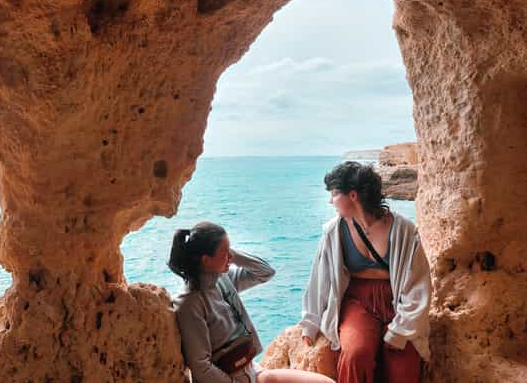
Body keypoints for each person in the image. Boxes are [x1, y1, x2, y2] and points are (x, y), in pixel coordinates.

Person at [299, 161, 432, 383]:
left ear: (353, 195)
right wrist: (310, 324)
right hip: (358, 301)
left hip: (397, 300)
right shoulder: (334, 230)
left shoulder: (403, 229)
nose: (330, 200)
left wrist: (400, 329)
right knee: (355, 354)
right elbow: (319, 279)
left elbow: (418, 283)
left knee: (403, 362)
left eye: (334, 193)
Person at [171, 221, 335, 383]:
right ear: (206, 260)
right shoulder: (190, 303)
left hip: (252, 371)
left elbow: (265, 272)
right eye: (225, 252)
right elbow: (201, 367)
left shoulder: (222, 279)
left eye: (230, 250)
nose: (231, 256)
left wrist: (229, 254)